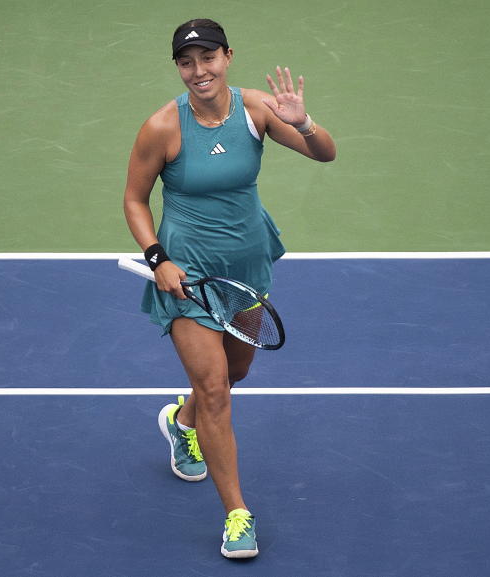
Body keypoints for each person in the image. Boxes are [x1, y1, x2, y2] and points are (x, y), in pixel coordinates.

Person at [122, 18, 336, 558]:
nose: (199, 71)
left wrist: (304, 122)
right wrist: (158, 259)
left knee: (236, 371)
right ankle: (237, 515)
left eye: (209, 58)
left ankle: (179, 419)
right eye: (187, 62)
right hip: (189, 276)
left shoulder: (257, 109)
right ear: (179, 67)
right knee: (215, 387)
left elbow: (325, 154)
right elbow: (134, 200)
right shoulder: (162, 127)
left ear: (227, 57)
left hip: (245, 268)